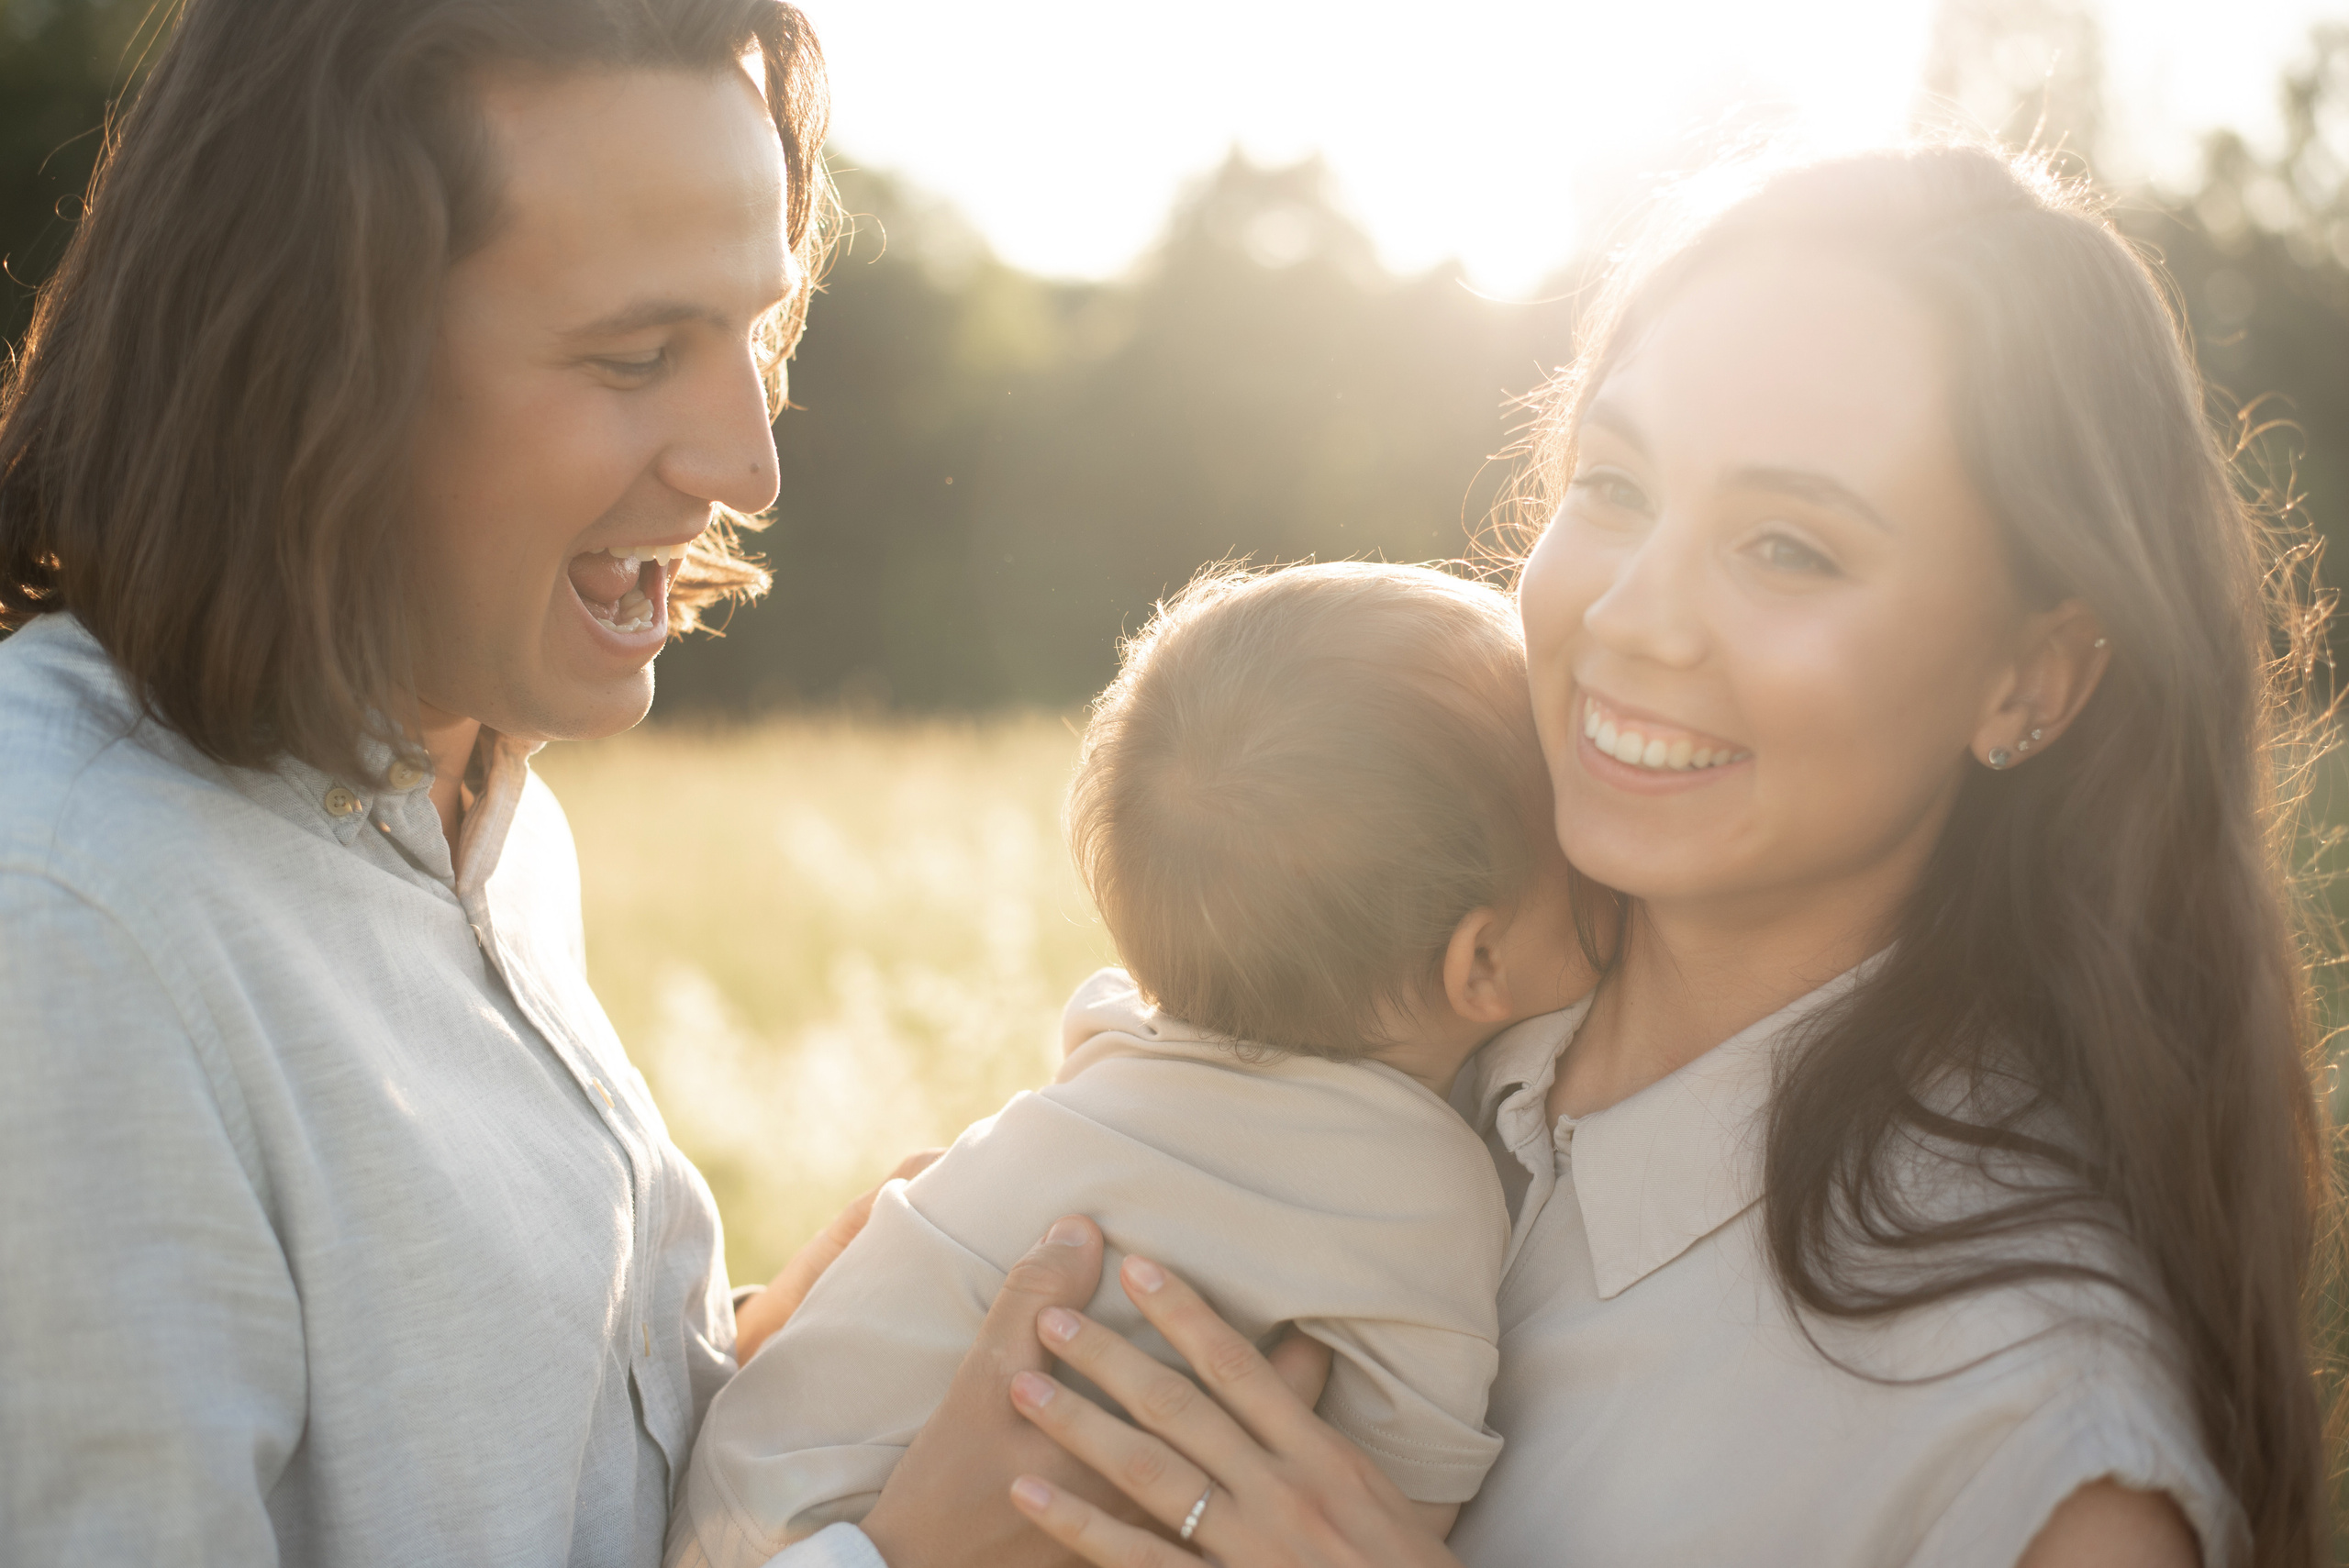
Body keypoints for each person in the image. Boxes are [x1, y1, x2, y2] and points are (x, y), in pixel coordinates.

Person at [795, 145, 2337, 1568]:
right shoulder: (1389, 985)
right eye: (1616, 484)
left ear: (2033, 677)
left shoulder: (2040, 1450)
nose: (1632, 613)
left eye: (1788, 545)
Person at [0, 0, 841, 1561]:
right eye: (640, 352)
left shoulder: (492, 820)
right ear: (308, 366)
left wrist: (797, 1351)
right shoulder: (60, 924)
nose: (749, 461)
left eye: (756, 329)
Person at [668, 563, 1597, 1567]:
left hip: (735, 1489)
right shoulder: (1421, 1194)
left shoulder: (1111, 1038)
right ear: (1480, 962)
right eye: (1583, 845)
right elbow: (1377, 1514)